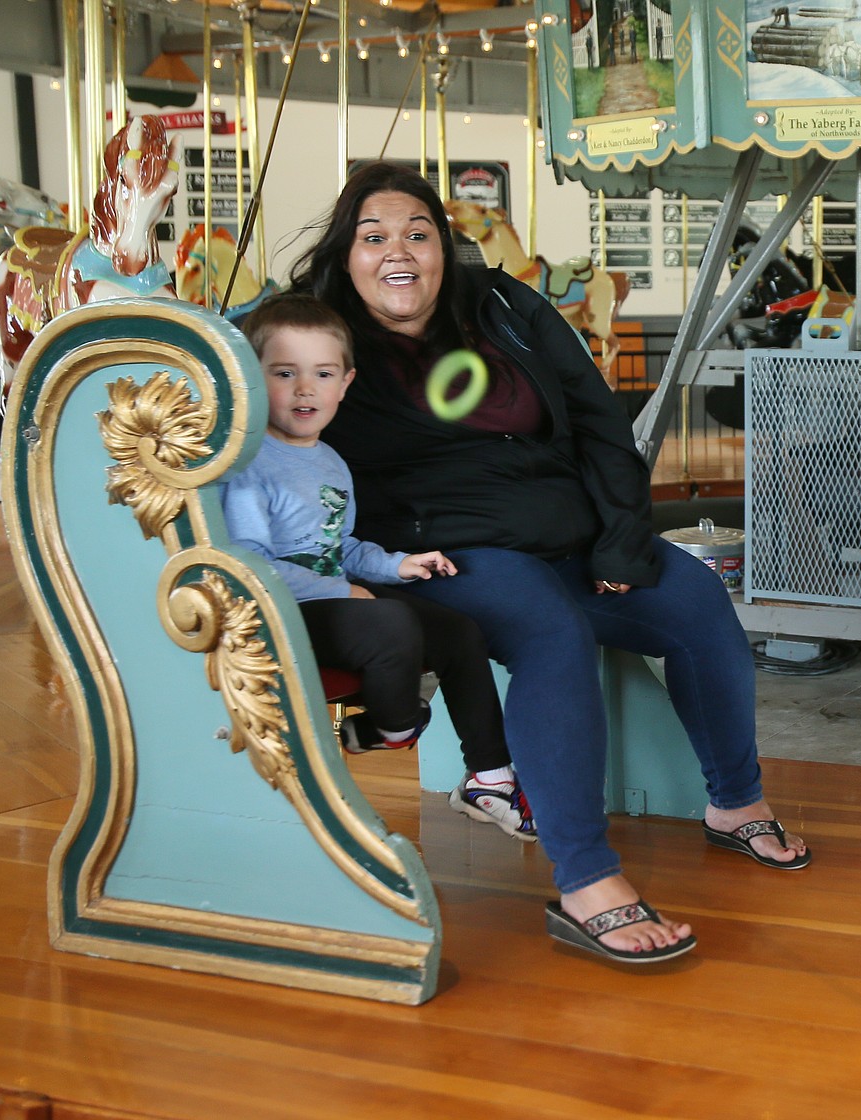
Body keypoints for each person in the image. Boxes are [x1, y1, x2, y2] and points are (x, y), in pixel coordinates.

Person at [289, 161, 811, 964]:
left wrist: (623, 537)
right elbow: (235, 384)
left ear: (443, 246)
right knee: (551, 633)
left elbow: (602, 420)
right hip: (449, 553)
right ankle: (587, 878)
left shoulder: (500, 304)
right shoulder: (316, 334)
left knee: (697, 599)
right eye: (374, 235)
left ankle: (735, 803)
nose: (399, 251)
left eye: (417, 233)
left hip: (570, 535)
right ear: (347, 254)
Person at [219, 292, 536, 842]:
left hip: (329, 599)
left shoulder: (330, 462)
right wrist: (342, 589)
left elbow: (338, 546)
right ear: (253, 377)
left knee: (458, 631)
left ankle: (490, 776)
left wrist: (398, 566)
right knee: (393, 625)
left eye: (322, 373)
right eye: (284, 372)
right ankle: (392, 727)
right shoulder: (249, 465)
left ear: (345, 383)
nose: (304, 389)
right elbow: (250, 563)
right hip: (280, 613)